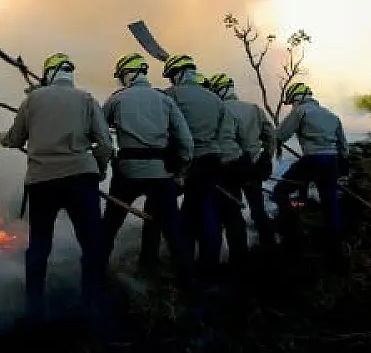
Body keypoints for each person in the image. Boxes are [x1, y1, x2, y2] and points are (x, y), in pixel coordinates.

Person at [0, 52, 115, 321]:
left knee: (40, 245)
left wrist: (2, 138)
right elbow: (106, 144)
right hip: (81, 180)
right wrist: (98, 170)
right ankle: (92, 302)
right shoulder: (87, 99)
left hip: (43, 182)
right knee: (91, 244)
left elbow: (15, 139)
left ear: (49, 74)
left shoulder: (33, 100)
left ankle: (34, 307)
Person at [99, 54, 195, 282]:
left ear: (127, 74)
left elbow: (99, 132)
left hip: (127, 173)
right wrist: (180, 171)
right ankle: (190, 283)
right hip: (161, 174)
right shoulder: (165, 100)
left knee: (109, 227)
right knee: (174, 231)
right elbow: (186, 143)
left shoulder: (116, 100)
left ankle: (95, 276)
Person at [152, 54, 241, 280]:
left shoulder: (169, 95)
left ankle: (179, 265)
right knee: (206, 210)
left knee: (165, 209)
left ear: (179, 74)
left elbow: (162, 129)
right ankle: (209, 265)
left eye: (172, 75)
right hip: (213, 161)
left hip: (186, 161)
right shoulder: (216, 100)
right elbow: (224, 135)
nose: (171, 80)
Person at [270, 82, 349, 267]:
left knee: (280, 191)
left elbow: (281, 135)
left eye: (292, 102)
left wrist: (268, 138)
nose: (292, 106)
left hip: (313, 160)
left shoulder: (301, 111)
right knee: (330, 202)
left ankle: (292, 234)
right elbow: (344, 147)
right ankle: (336, 250)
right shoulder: (331, 115)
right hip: (332, 161)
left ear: (296, 98)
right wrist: (342, 168)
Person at [207, 73, 279, 251]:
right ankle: (270, 247)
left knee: (232, 213)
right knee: (258, 209)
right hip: (254, 168)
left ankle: (239, 256)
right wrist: (266, 158)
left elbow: (224, 140)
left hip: (230, 170)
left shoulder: (221, 110)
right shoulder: (253, 108)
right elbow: (271, 135)